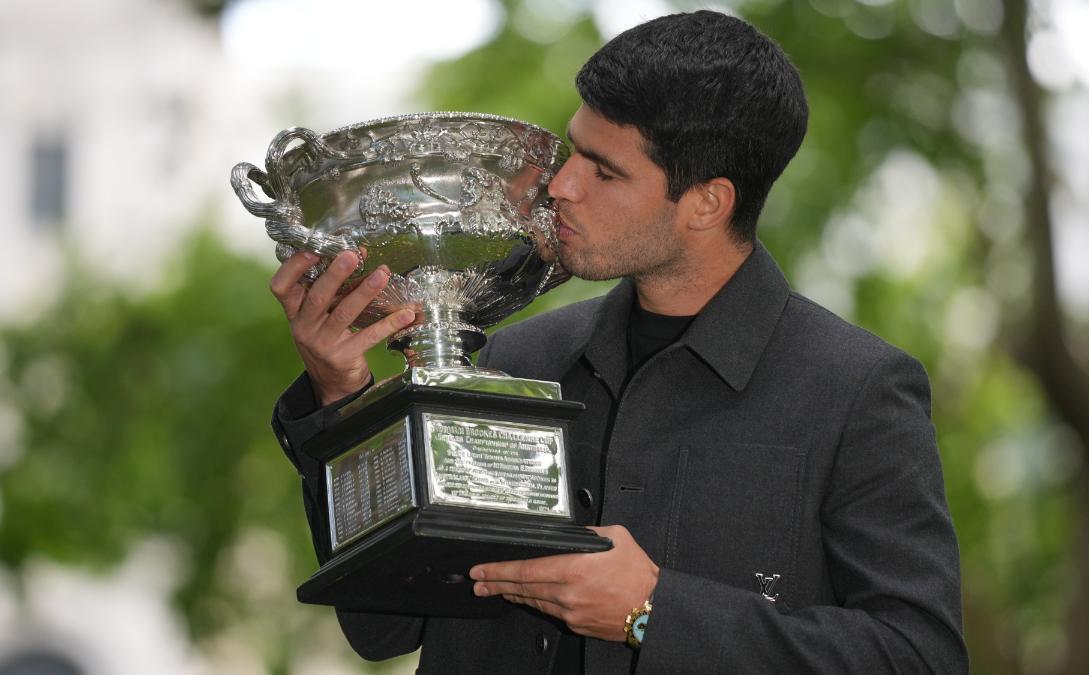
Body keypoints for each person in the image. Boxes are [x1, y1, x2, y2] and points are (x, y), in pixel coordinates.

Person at [268, 10, 967, 673]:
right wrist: (342, 405)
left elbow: (916, 654)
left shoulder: (857, 391)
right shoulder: (516, 359)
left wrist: (653, 611)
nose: (562, 186)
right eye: (573, 151)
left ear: (706, 202)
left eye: (605, 171)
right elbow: (383, 625)